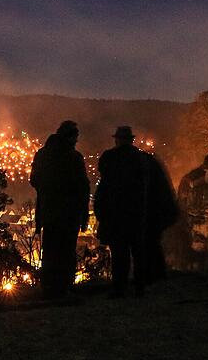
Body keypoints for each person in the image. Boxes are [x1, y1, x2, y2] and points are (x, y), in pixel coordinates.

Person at [30, 120, 89, 299]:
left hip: (48, 211)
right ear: (70, 137)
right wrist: (83, 215)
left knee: (50, 250)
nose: (77, 141)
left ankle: (48, 287)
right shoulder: (74, 158)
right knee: (66, 251)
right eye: (76, 138)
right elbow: (83, 188)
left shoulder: (42, 155)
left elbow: (34, 180)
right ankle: (64, 288)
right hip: (69, 213)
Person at [93, 126, 147, 298]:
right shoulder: (141, 158)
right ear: (131, 140)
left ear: (117, 139)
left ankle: (119, 288)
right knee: (138, 252)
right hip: (136, 213)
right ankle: (140, 287)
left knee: (119, 253)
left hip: (116, 214)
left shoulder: (109, 158)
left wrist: (101, 212)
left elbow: (103, 189)